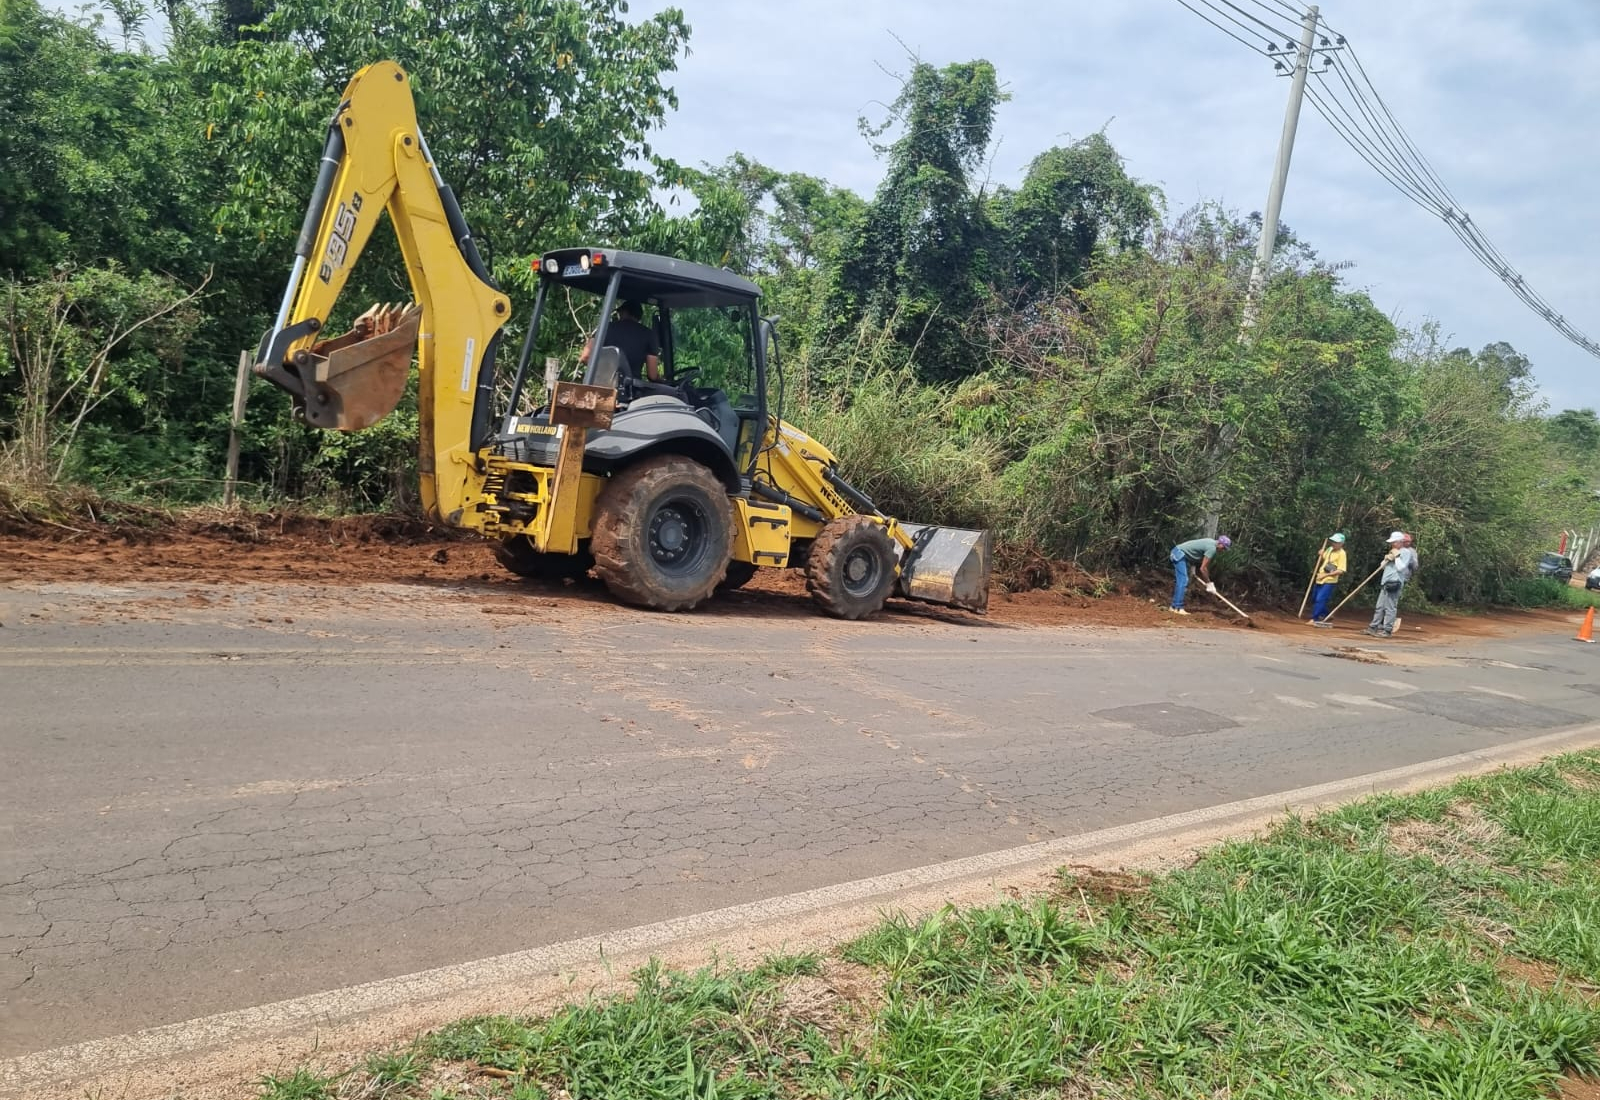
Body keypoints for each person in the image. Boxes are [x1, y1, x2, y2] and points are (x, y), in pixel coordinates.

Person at [581, 299, 661, 383]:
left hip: (600, 387)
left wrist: (604, 372)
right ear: (639, 315)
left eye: (619, 312)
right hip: (631, 391)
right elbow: (652, 375)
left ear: (624, 312)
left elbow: (585, 357)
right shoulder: (648, 334)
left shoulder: (606, 328)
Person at [1365, 531, 1418, 638]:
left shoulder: (1406, 552)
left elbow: (1401, 568)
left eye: (1394, 542)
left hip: (1395, 582)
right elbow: (1382, 567)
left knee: (1390, 607)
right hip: (1385, 581)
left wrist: (1397, 557)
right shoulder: (1393, 551)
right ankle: (1373, 627)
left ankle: (1387, 630)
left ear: (1400, 542)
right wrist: (1386, 558)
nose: (1392, 544)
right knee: (1379, 606)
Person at [1168, 534, 1231, 615]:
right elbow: (1203, 568)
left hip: (1178, 553)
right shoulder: (1212, 548)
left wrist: (1193, 567)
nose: (1223, 550)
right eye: (1224, 548)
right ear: (1220, 544)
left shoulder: (1210, 541)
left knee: (1182, 581)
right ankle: (1177, 608)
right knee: (1183, 580)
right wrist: (1209, 584)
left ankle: (1173, 607)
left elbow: (1195, 552)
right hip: (1179, 554)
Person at [1309, 533, 1347, 626]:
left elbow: (1341, 570)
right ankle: (1326, 614)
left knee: (1320, 599)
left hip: (1329, 580)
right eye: (1333, 541)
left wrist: (1325, 576)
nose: (1333, 543)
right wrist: (1321, 554)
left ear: (1341, 543)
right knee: (1314, 598)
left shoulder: (1342, 554)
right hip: (1320, 578)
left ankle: (1315, 618)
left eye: (1336, 542)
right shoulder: (1329, 549)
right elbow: (1325, 559)